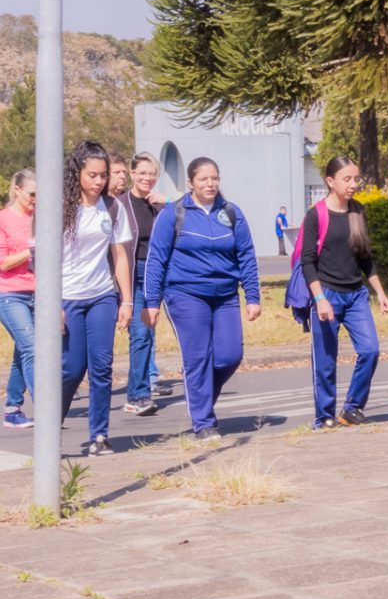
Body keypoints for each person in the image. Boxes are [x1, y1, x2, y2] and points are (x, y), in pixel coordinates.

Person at [141, 158, 261, 441]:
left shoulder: (231, 213)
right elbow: (156, 259)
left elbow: (246, 256)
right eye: (204, 179)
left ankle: (202, 401)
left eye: (215, 178)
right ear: (191, 183)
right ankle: (203, 423)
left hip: (225, 296)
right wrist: (151, 302)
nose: (210, 184)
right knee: (198, 358)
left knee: (230, 355)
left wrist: (252, 296)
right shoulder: (174, 213)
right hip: (185, 294)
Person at [300, 156, 388, 429]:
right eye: (347, 179)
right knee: (326, 362)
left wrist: (380, 293)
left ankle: (352, 408)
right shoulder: (316, 214)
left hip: (356, 296)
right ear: (330, 181)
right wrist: (319, 299)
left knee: (370, 350)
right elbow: (307, 261)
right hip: (327, 294)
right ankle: (324, 416)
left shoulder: (357, 211)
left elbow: (365, 257)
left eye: (355, 178)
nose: (353, 184)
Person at [60, 142, 134, 457]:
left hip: (102, 295)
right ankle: (51, 428)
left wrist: (127, 301)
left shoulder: (113, 207)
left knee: (102, 367)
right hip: (66, 298)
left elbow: (119, 256)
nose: (98, 181)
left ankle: (99, 435)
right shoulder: (58, 207)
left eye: (103, 175)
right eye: (92, 175)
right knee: (72, 369)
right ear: (76, 172)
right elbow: (42, 259)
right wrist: (51, 305)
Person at [0, 170, 39, 431]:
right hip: (10, 294)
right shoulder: (0, 220)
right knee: (32, 347)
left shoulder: (40, 218)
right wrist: (30, 248)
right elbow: (3, 262)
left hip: (40, 294)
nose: (35, 199)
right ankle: (45, 408)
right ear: (17, 190)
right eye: (32, 194)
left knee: (23, 351)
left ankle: (12, 408)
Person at [121, 153, 164, 417]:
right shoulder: (120, 204)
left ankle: (144, 386)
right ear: (132, 173)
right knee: (140, 333)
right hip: (133, 272)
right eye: (143, 173)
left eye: (152, 174)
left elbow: (188, 209)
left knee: (149, 333)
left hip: (156, 274)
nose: (147, 178)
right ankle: (137, 394)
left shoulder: (159, 205)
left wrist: (168, 201)